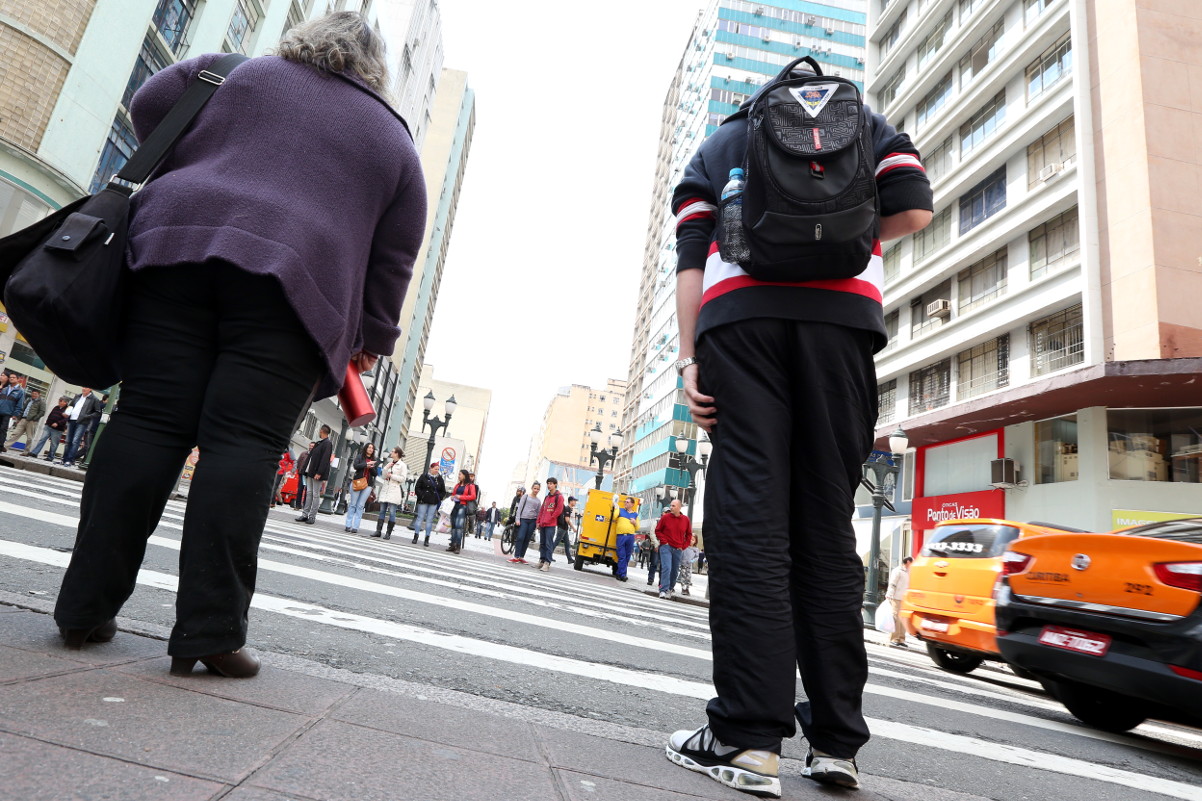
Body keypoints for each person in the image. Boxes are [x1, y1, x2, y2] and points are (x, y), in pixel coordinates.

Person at [52, 10, 425, 679]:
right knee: (243, 447)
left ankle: (83, 607)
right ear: (375, 71)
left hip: (174, 251)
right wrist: (372, 334)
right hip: (293, 289)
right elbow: (394, 257)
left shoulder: (235, 73)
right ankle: (210, 630)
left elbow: (150, 103)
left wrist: (201, 162)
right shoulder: (392, 141)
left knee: (146, 422)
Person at [664, 60, 932, 795]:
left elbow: (692, 258)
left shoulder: (721, 145)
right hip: (843, 332)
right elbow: (914, 208)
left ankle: (748, 737)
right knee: (826, 527)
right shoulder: (864, 125)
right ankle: (837, 741)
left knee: (751, 523)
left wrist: (689, 361)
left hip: (740, 327)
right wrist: (834, 229)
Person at [655, 499, 691, 600]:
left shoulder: (686, 520)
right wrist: (664, 541)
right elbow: (657, 530)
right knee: (667, 567)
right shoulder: (665, 517)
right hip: (666, 547)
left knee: (675, 571)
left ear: (679, 507)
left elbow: (689, 534)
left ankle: (670, 589)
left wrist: (683, 546)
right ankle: (663, 590)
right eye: (671, 505)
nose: (671, 507)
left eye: (673, 506)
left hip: (678, 549)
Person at [297, 426, 334, 525]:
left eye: (319, 430)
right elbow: (310, 458)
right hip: (310, 471)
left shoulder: (327, 444)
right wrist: (304, 470)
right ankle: (305, 514)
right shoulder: (319, 443)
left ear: (322, 431)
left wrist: (319, 472)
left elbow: (325, 459)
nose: (318, 431)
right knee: (309, 493)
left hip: (317, 473)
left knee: (315, 494)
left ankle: (312, 516)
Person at [59, 388, 103, 467]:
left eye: (86, 387)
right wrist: (66, 412)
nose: (83, 389)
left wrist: (86, 416)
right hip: (71, 420)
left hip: (82, 422)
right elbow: (71, 406)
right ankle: (64, 459)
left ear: (90, 389)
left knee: (75, 441)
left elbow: (97, 412)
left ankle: (70, 460)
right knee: (68, 441)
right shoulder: (77, 396)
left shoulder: (94, 399)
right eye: (83, 387)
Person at [344, 441, 378, 534]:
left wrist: (371, 467)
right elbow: (356, 466)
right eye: (369, 447)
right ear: (366, 448)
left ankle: (355, 527)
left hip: (367, 485)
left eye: (372, 448)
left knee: (360, 506)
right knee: (353, 504)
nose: (370, 449)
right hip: (358, 482)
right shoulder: (360, 457)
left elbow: (375, 474)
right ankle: (348, 525)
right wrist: (366, 465)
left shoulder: (374, 460)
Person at [373, 447, 407, 540]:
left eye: (392, 451)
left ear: (397, 454)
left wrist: (392, 476)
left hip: (394, 490)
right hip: (385, 489)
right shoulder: (390, 463)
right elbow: (383, 476)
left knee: (392, 512)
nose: (391, 453)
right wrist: (386, 468)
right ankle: (378, 531)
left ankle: (388, 533)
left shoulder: (402, 465)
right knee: (382, 511)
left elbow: (403, 478)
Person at [412, 462, 445, 546]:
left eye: (438, 469)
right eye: (435, 469)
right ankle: (416, 536)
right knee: (420, 518)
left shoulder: (440, 479)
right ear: (431, 468)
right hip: (423, 500)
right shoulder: (424, 476)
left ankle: (427, 538)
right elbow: (417, 487)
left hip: (433, 502)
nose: (437, 471)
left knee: (429, 520)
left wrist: (438, 498)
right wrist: (422, 495)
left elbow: (443, 491)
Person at [535, 477, 565, 571]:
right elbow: (542, 510)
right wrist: (538, 522)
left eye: (551, 483)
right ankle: (542, 560)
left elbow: (558, 510)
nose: (549, 485)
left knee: (548, 544)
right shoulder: (547, 497)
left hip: (551, 525)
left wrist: (550, 519)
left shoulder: (559, 497)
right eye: (548, 483)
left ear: (555, 484)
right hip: (543, 524)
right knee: (542, 543)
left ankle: (547, 563)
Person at [508, 481, 541, 564]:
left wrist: (537, 523)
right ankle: (516, 556)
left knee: (527, 539)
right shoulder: (525, 497)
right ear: (532, 488)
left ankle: (521, 557)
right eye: (535, 488)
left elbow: (538, 513)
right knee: (520, 537)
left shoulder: (538, 501)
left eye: (538, 489)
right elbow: (519, 508)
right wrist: (517, 519)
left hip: (532, 522)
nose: (536, 490)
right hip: (523, 520)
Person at [29, 396, 70, 461]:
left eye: (60, 400)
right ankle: (34, 453)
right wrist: (47, 423)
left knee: (54, 443)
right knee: (42, 439)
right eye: (59, 400)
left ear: (65, 402)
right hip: (48, 426)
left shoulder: (68, 409)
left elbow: (66, 419)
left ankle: (50, 457)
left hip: (58, 429)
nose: (59, 401)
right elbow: (50, 415)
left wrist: (57, 423)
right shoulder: (56, 407)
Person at [885, 556, 914, 648]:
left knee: (903, 619)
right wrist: (889, 594)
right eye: (912, 562)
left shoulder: (909, 572)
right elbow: (892, 584)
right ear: (908, 562)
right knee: (896, 618)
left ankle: (901, 639)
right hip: (896, 598)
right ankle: (894, 638)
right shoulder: (897, 571)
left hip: (905, 599)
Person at [5, 387, 44, 453]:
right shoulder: (28, 400)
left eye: (35, 394)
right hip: (23, 419)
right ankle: (5, 447)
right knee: (15, 434)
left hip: (32, 421)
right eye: (33, 393)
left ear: (39, 394)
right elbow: (23, 409)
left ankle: (26, 451)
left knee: (29, 437)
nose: (34, 395)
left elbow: (42, 412)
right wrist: (19, 418)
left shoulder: (41, 402)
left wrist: (34, 419)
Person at [447, 468, 476, 553]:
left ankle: (457, 546)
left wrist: (461, 497)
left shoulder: (470, 486)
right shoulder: (457, 485)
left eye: (460, 474)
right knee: (454, 526)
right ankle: (452, 544)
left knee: (459, 526)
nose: (458, 476)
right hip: (455, 505)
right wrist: (453, 497)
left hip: (462, 506)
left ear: (464, 475)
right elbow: (453, 494)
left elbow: (473, 496)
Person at [613, 497, 639, 582]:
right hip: (621, 536)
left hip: (630, 537)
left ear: (632, 504)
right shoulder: (620, 510)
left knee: (627, 557)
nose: (625, 503)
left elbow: (638, 527)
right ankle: (623, 575)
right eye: (625, 502)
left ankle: (619, 573)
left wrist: (634, 523)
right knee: (622, 556)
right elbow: (614, 516)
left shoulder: (635, 514)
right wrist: (616, 507)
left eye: (627, 502)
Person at [0, 373, 26, 451]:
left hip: (8, 413)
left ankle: (0, 445)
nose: (11, 379)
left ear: (18, 379)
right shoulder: (5, 389)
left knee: (3, 429)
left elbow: (20, 404)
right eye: (10, 377)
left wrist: (15, 414)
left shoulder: (20, 391)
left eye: (13, 377)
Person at [554, 496, 577, 562]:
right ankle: (548, 555)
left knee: (567, 544)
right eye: (574, 501)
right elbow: (567, 520)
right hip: (562, 528)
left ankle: (569, 559)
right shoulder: (567, 508)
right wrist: (573, 528)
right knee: (556, 542)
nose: (575, 502)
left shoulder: (568, 508)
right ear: (571, 501)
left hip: (564, 528)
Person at [292, 442, 314, 509]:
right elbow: (298, 462)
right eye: (310, 445)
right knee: (300, 489)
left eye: (312, 446)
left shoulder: (316, 456)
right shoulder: (303, 453)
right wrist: (298, 470)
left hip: (310, 475)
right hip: (302, 474)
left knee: (308, 491)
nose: (311, 447)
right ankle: (298, 505)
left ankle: (305, 506)